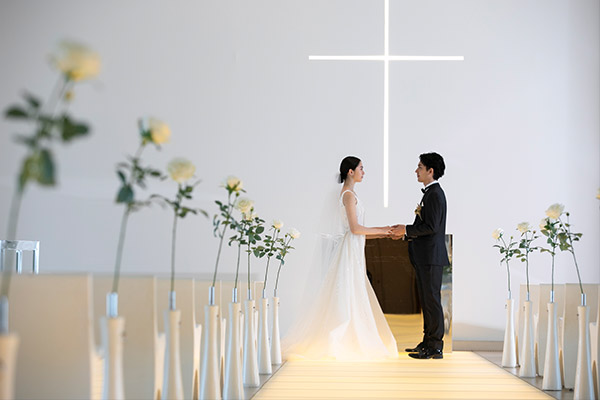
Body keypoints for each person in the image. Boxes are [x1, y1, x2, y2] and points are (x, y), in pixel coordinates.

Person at [281, 156, 398, 360]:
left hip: (353, 247)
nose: (364, 172)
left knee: (352, 290)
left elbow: (357, 229)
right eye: (361, 168)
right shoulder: (348, 196)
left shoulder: (350, 194)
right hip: (349, 248)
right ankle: (343, 337)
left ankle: (349, 335)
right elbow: (354, 228)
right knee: (348, 290)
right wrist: (383, 230)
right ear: (350, 172)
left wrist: (383, 232)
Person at [392, 152, 449, 359]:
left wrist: (406, 230)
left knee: (432, 301)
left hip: (431, 257)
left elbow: (431, 227)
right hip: (426, 257)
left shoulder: (435, 194)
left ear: (430, 171)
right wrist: (405, 232)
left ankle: (435, 346)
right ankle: (427, 341)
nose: (416, 170)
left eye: (419, 167)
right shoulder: (430, 193)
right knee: (427, 301)